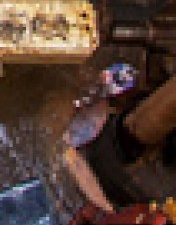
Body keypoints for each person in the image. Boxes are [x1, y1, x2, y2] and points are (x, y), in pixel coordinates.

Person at [58, 62, 138, 213]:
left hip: (83, 134)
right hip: (81, 133)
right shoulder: (96, 100)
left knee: (74, 159)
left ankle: (105, 208)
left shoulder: (96, 111)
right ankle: (105, 207)